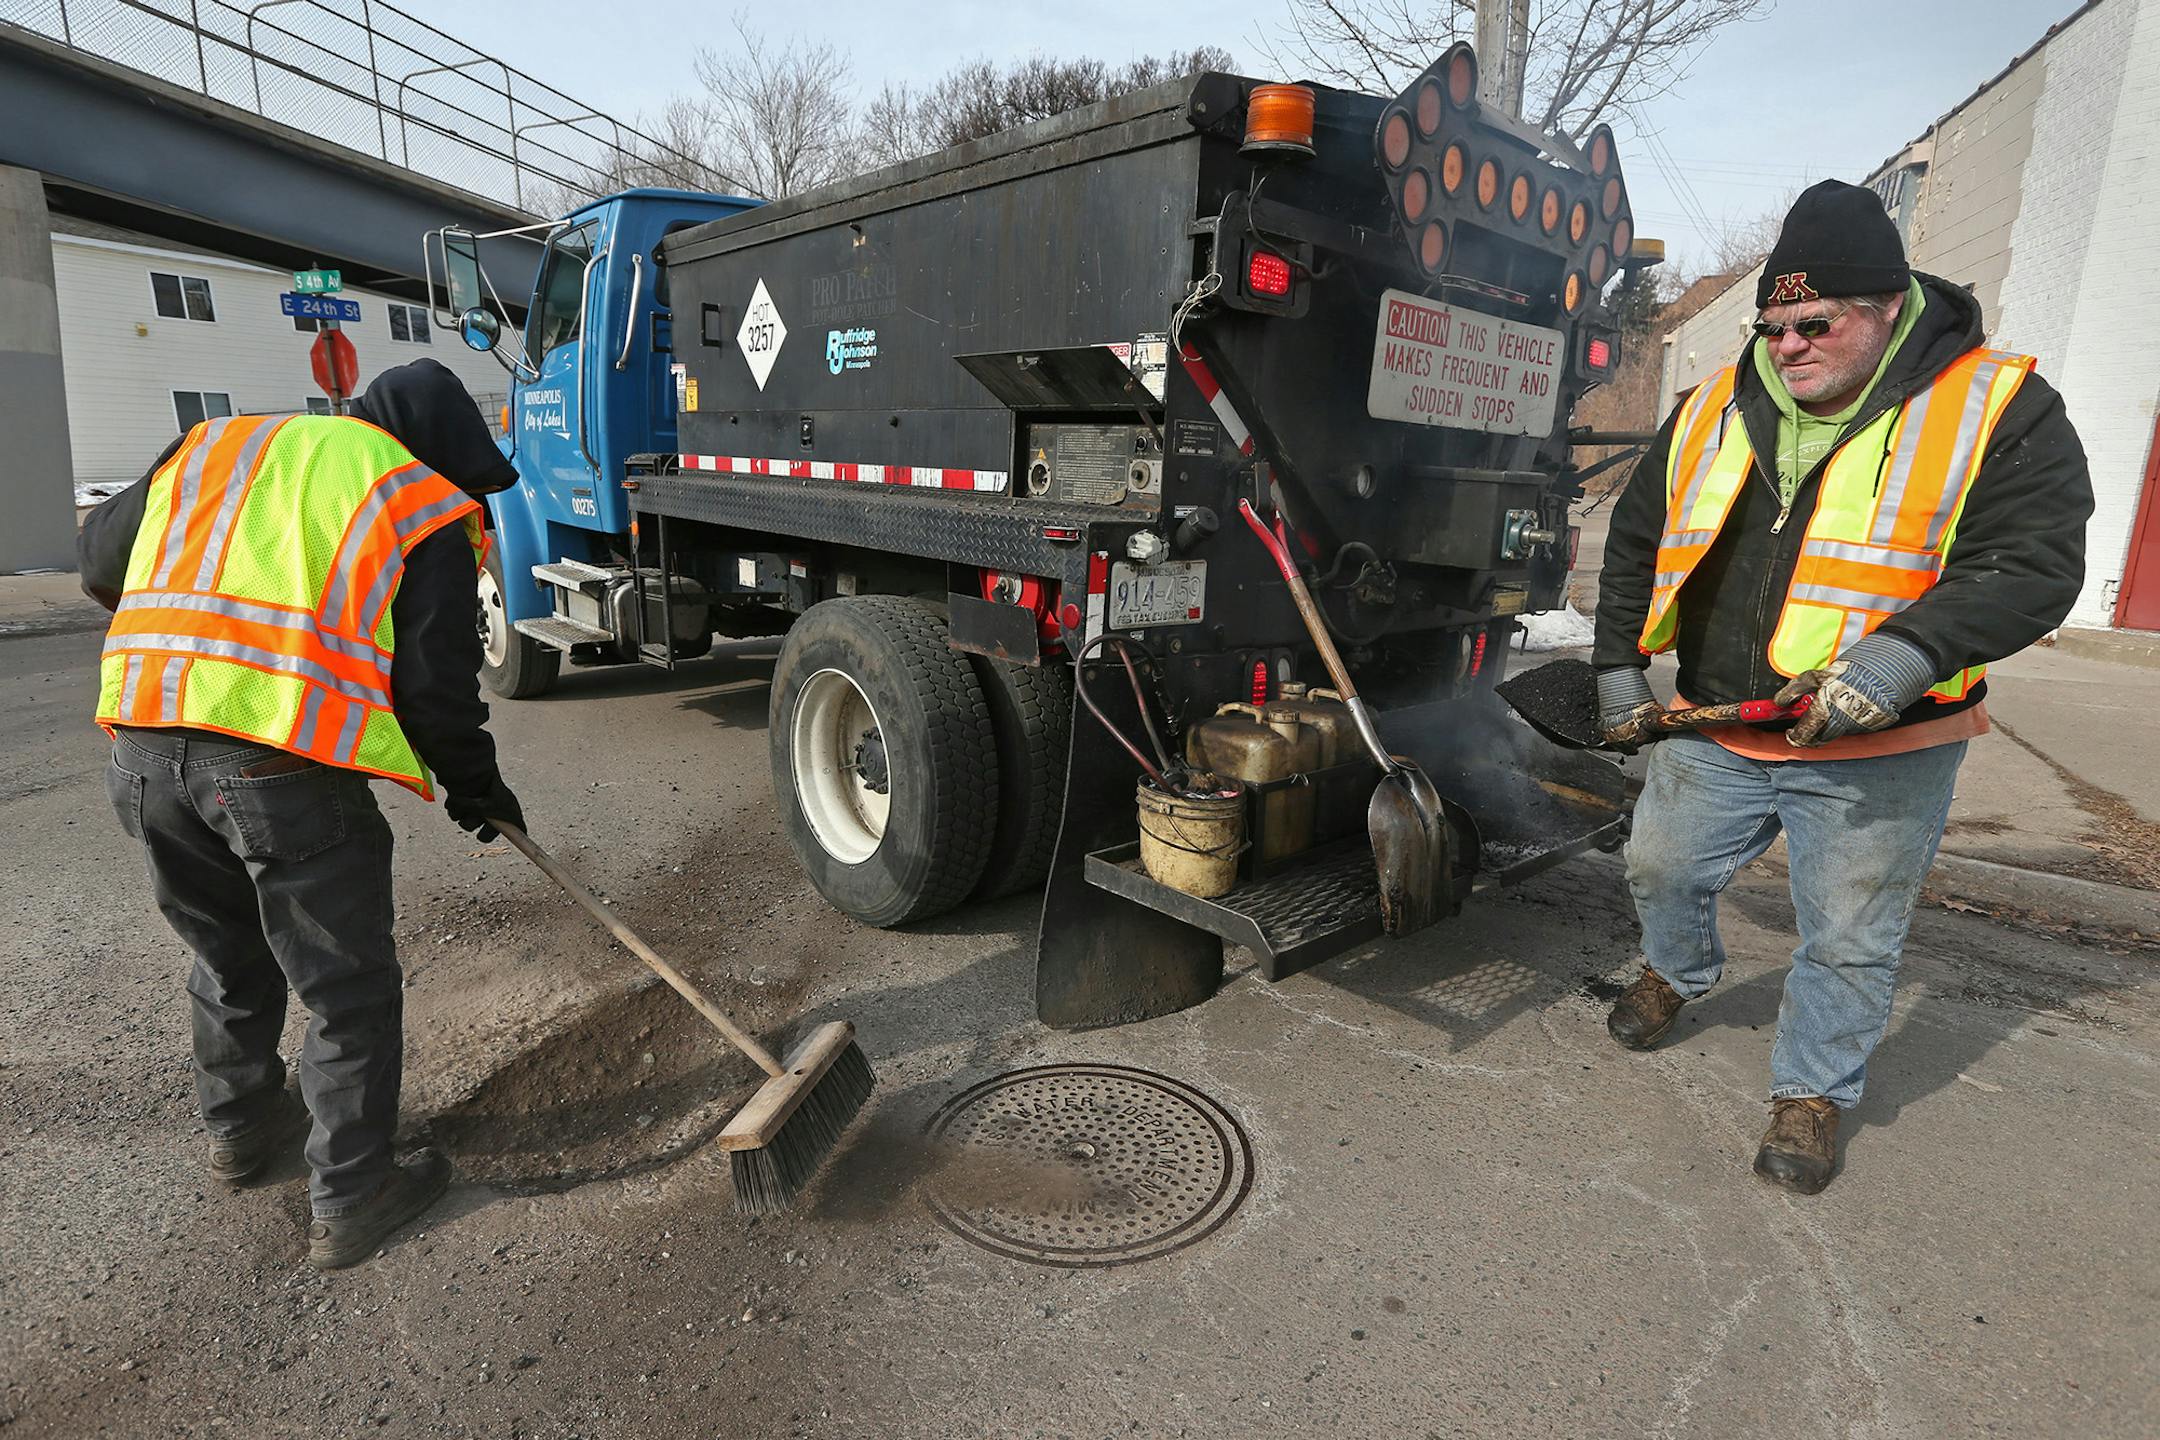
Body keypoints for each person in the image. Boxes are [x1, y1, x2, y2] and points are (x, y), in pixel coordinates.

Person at [1591, 181, 2091, 1194]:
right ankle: (1678, 971)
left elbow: (2033, 561)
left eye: (1813, 323)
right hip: (1718, 720)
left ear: (1887, 307)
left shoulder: (1998, 405)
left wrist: (1903, 658)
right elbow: (1639, 542)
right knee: (1660, 869)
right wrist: (1612, 664)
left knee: (1851, 935)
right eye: (1773, 325)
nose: (1787, 346)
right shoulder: (1712, 408)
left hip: (1881, 746)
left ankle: (1813, 1091)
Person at [80, 359, 526, 1266]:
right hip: (276, 766)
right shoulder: (420, 498)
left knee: (226, 953)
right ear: (444, 448)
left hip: (141, 746)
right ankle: (356, 1191)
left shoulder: (215, 444)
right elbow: (434, 691)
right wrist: (476, 788)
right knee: (345, 987)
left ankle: (244, 1131)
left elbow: (98, 563)